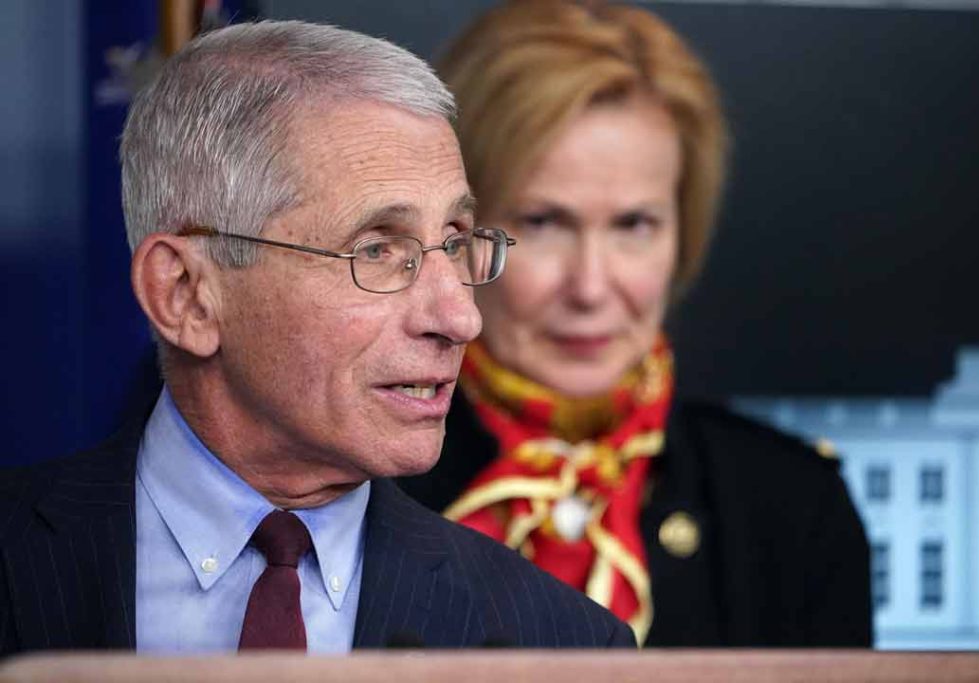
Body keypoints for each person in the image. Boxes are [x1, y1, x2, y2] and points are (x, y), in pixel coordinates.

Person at [0, 20, 635, 654]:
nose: (461, 318)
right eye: (378, 249)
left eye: (457, 242)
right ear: (186, 294)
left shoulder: (562, 645)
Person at [398, 0, 873, 647]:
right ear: (455, 234)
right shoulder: (356, 480)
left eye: (634, 225)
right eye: (543, 222)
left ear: (684, 232)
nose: (592, 286)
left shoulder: (793, 507)